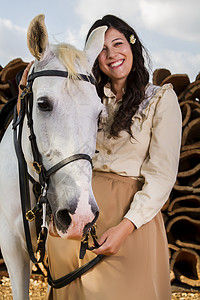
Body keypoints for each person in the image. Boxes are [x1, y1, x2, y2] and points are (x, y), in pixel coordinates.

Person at [19, 14, 182, 300]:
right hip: (76, 216)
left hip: (128, 223)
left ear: (133, 45)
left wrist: (125, 228)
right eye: (103, 50)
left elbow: (161, 176)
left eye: (117, 44)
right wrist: (26, 86)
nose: (111, 55)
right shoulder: (85, 95)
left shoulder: (160, 99)